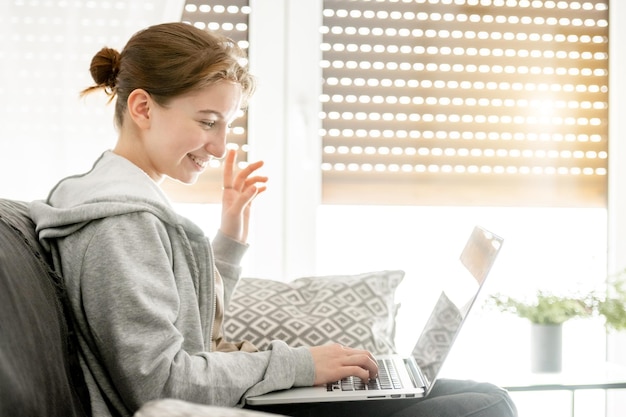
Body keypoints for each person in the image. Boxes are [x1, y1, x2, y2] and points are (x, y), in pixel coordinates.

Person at [30, 22, 517, 417]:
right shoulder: (121, 224)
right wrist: (299, 365)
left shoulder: (118, 201)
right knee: (486, 404)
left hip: (222, 395)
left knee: (463, 391)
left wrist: (229, 238)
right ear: (142, 107)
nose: (220, 147)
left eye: (226, 124)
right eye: (206, 122)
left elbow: (188, 328)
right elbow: (160, 383)